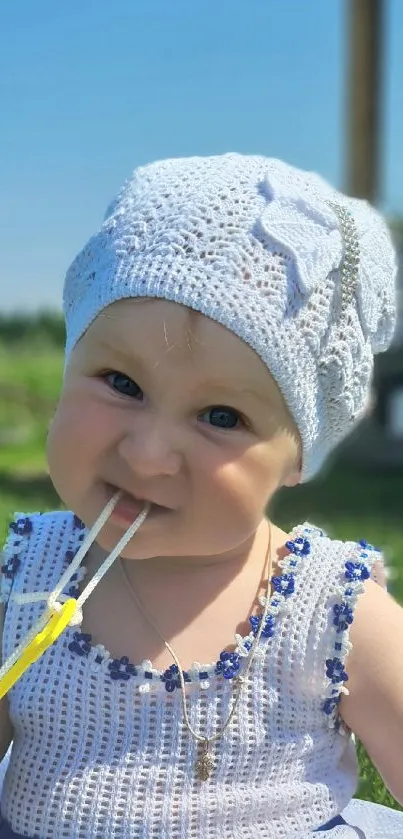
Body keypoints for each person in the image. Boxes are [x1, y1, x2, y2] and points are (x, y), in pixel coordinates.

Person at [0, 153, 402, 838]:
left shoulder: (328, 607)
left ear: (298, 456)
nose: (148, 454)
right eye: (120, 383)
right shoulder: (29, 579)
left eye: (221, 417)